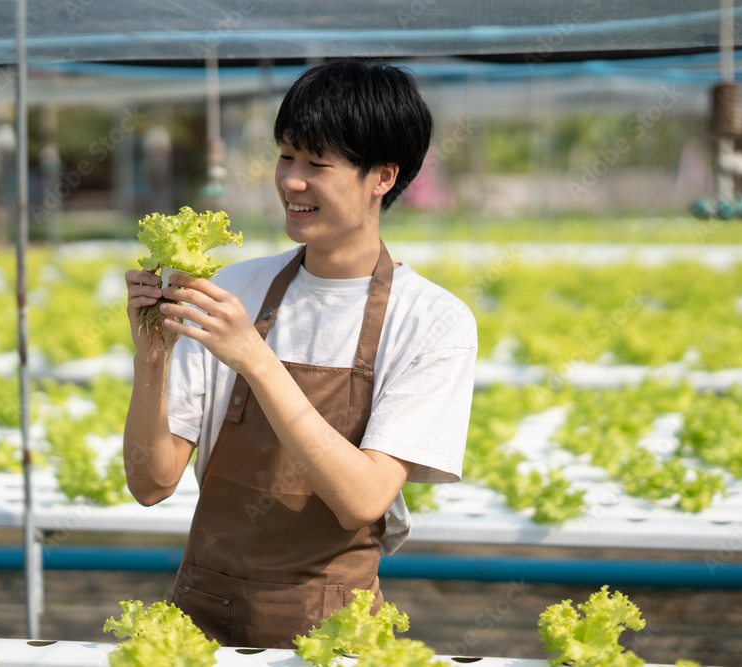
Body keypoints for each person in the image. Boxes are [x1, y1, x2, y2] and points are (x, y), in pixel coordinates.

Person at [122, 58, 477, 649]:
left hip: (333, 630)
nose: (291, 180)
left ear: (382, 177)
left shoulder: (432, 321)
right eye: (286, 156)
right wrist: (151, 360)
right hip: (201, 621)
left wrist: (256, 359)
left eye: (318, 164)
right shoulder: (233, 291)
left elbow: (362, 500)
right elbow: (151, 482)